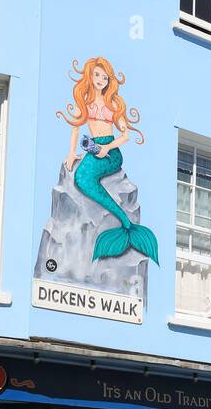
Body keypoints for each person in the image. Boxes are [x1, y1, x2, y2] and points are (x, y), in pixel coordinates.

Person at [56, 56, 159, 263]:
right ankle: (124, 220)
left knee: (83, 178)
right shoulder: (84, 102)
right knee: (82, 178)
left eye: (104, 76)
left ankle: (124, 222)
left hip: (110, 152)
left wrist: (107, 148)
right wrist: (71, 152)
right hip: (94, 147)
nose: (100, 79)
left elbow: (125, 135)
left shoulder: (112, 104)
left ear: (109, 80)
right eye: (97, 75)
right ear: (90, 75)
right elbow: (75, 128)